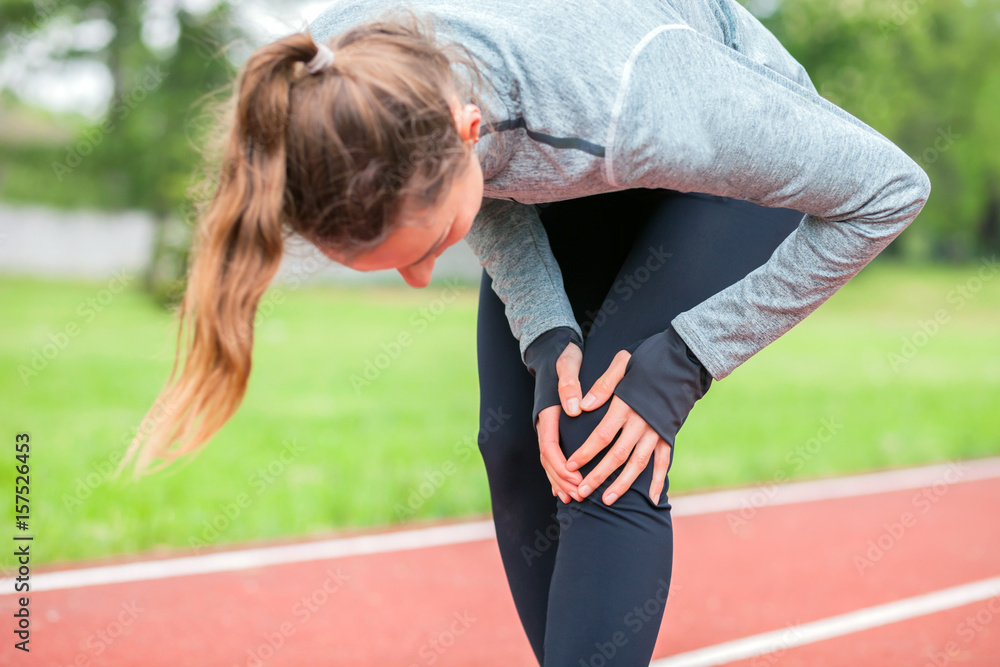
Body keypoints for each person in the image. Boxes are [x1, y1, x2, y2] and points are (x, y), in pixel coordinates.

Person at [116, 0, 931, 663]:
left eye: (433, 243)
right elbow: (499, 178)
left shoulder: (644, 98)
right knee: (514, 441)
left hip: (715, 164)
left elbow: (890, 189)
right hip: (564, 162)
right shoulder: (337, 85)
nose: (422, 278)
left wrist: (684, 360)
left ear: (465, 131)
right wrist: (545, 334)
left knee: (599, 440)